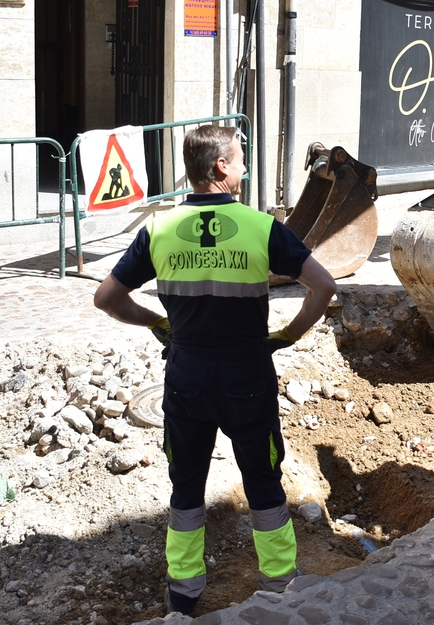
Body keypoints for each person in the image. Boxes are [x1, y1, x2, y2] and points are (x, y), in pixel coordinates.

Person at [93, 125, 337, 615]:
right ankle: (280, 584)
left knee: (186, 485)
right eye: (241, 157)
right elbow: (324, 287)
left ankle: (183, 593)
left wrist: (157, 323)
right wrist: (290, 335)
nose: (245, 166)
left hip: (186, 376)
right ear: (221, 167)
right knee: (264, 483)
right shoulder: (260, 227)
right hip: (247, 375)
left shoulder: (158, 229)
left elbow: (107, 298)